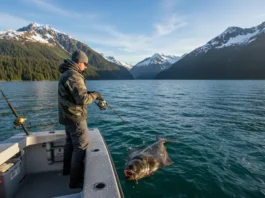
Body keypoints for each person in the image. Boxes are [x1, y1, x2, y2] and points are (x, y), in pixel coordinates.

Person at [58, 49, 103, 189]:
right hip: (76, 118)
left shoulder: (66, 73)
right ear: (80, 63)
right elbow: (82, 99)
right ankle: (75, 181)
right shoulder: (74, 75)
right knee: (80, 148)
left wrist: (90, 93)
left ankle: (66, 172)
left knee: (70, 144)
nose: (86, 67)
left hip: (67, 116)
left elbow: (75, 94)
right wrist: (95, 95)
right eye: (86, 64)